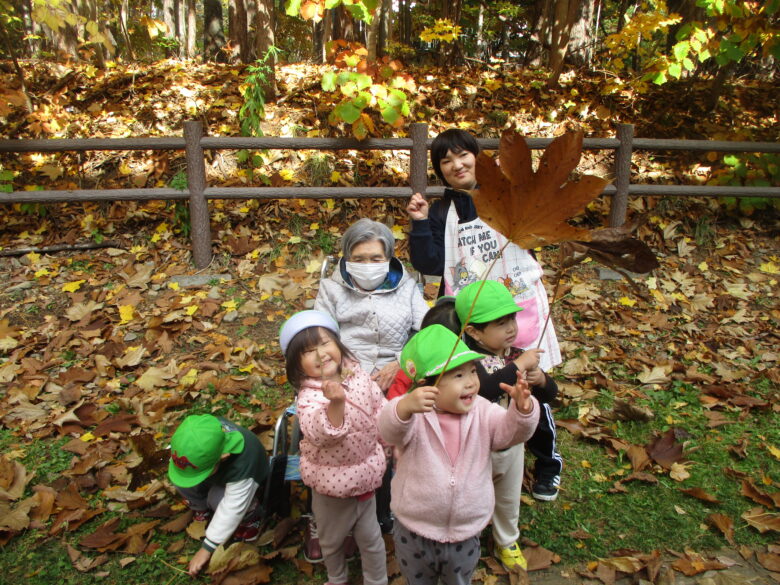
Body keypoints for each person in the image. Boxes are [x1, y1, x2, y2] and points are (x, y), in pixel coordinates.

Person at [379, 325, 539, 585]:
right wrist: (404, 407)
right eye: (457, 375)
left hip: (466, 528)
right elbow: (388, 430)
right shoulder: (415, 418)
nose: (470, 382)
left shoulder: (482, 411)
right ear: (426, 386)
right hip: (414, 527)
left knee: (459, 580)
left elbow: (509, 435)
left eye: (473, 371)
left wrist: (522, 411)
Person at [405, 128, 561, 372]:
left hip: (518, 300)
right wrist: (421, 223)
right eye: (446, 161)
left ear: (478, 157)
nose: (457, 165)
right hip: (471, 314)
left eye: (463, 155)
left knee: (531, 373)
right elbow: (430, 265)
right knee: (480, 378)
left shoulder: (509, 196)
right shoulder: (441, 212)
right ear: (440, 170)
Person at [455, 279, 562, 570]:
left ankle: (506, 539)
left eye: (512, 318)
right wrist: (519, 366)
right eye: (500, 323)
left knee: (508, 496)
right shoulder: (466, 360)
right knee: (471, 495)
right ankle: (467, 536)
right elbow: (486, 389)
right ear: (473, 331)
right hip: (475, 445)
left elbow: (550, 396)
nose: (511, 328)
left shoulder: (516, 354)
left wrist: (540, 380)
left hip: (513, 443)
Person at [279, 310, 388, 585]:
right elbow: (321, 433)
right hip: (331, 486)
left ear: (339, 344)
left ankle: (377, 580)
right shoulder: (309, 397)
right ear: (297, 364)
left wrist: (391, 439)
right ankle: (337, 577)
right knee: (331, 540)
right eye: (308, 351)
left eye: (326, 343)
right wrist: (336, 404)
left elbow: (379, 409)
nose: (321, 354)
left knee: (371, 538)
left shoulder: (359, 376)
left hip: (366, 477)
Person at [315, 218, 429, 392]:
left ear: (388, 259)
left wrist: (401, 363)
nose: (367, 265)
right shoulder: (330, 289)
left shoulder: (407, 287)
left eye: (376, 259)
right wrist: (342, 368)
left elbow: (428, 331)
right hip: (345, 372)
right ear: (347, 259)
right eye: (359, 260)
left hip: (401, 371)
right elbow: (320, 336)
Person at [167, 414, 270, 576]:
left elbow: (232, 508)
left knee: (218, 500)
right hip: (215, 472)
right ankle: (201, 507)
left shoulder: (243, 466)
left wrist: (207, 547)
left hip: (246, 480)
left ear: (223, 457)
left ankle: (252, 515)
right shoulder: (195, 438)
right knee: (182, 480)